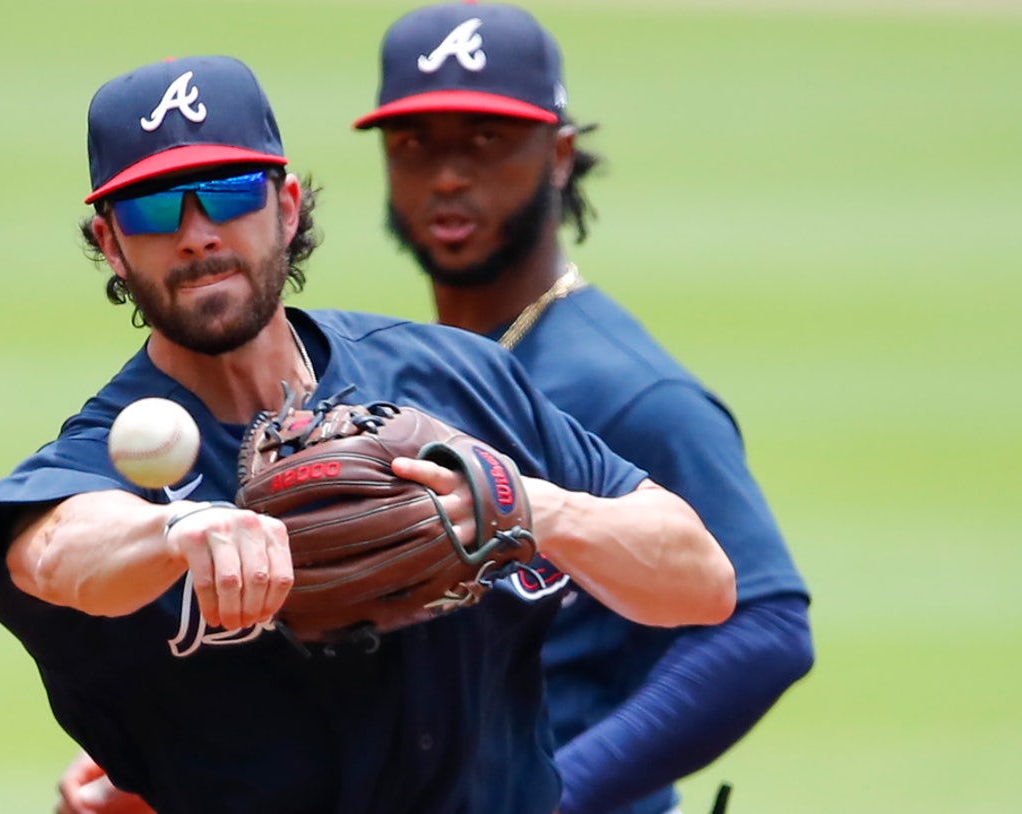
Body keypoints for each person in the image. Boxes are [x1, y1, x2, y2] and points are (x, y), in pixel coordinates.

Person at [54, 5, 814, 814]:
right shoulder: (404, 370)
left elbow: (763, 627)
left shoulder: (618, 386)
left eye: (484, 141)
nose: (447, 176)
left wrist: (567, 794)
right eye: (415, 145)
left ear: (557, 155)